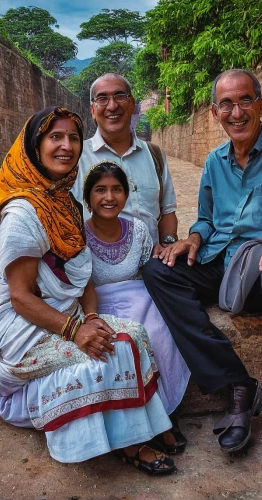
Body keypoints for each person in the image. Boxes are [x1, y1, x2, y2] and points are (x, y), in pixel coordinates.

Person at [0, 106, 176, 475]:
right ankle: (126, 443)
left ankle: (143, 429)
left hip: (64, 315)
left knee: (137, 335)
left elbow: (82, 279)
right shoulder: (21, 212)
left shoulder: (64, 202)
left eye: (74, 138)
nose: (67, 146)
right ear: (35, 146)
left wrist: (91, 317)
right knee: (113, 351)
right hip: (23, 330)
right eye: (55, 137)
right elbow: (20, 297)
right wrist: (76, 330)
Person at [143, 69, 262, 484]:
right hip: (224, 262)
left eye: (244, 101)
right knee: (158, 269)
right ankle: (238, 385)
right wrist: (191, 238)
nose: (236, 112)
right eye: (225, 104)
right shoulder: (213, 162)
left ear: (260, 104)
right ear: (214, 113)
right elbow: (207, 219)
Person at [82, 160, 190, 453]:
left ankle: (166, 412)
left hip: (139, 297)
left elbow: (149, 270)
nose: (109, 197)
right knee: (121, 347)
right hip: (97, 303)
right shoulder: (77, 235)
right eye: (100, 190)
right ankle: (141, 422)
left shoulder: (139, 230)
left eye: (117, 189)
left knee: (158, 333)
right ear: (88, 197)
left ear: (126, 196)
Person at [72, 72, 178, 253]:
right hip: (96, 274)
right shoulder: (77, 158)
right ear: (92, 110)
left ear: (131, 104)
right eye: (102, 98)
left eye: (120, 96)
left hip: (150, 272)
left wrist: (168, 244)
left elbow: (167, 210)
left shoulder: (155, 155)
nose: (112, 106)